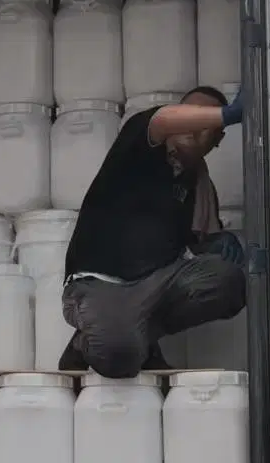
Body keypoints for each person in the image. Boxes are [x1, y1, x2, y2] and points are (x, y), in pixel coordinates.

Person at [60, 86, 246, 379]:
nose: (196, 125)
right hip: (101, 282)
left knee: (229, 281)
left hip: (155, 284)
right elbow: (159, 121)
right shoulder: (143, 141)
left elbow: (200, 246)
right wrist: (227, 114)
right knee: (118, 357)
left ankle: (142, 337)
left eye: (207, 124)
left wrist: (218, 241)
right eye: (191, 115)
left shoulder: (198, 182)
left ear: (218, 139)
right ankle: (84, 344)